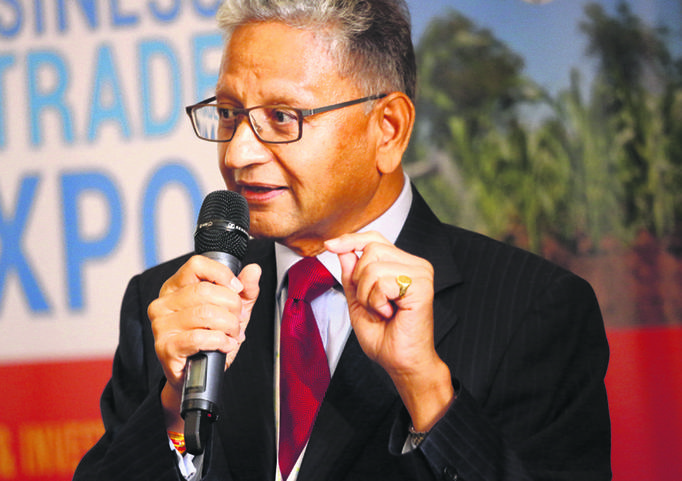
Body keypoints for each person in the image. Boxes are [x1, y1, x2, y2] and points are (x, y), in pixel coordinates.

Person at [74, 0, 611, 480]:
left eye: (282, 117)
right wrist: (173, 410)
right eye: (231, 114)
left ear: (388, 129)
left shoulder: (534, 309)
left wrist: (426, 389)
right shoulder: (168, 305)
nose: (238, 154)